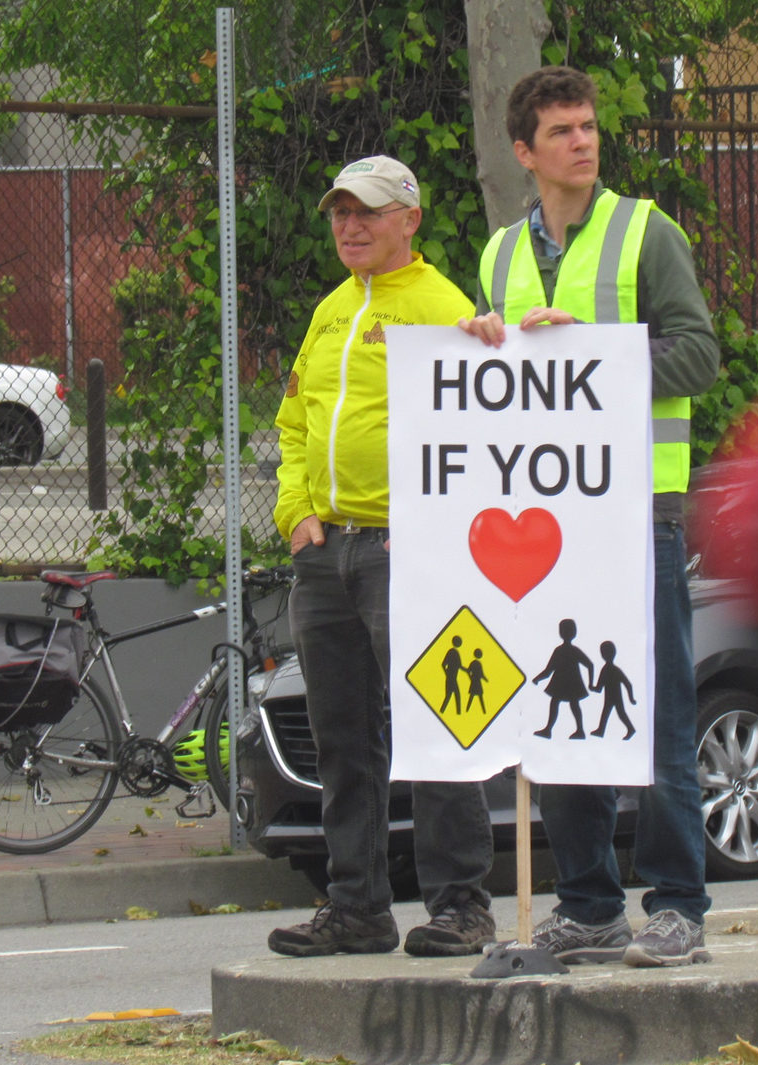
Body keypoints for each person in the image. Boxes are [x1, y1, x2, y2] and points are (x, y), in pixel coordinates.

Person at [459, 66, 719, 967]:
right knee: (560, 711)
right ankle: (589, 904)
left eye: (589, 125)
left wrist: (606, 354)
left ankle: (678, 903)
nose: (584, 140)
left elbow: (700, 356)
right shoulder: (497, 255)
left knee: (660, 715)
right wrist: (481, 340)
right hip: (548, 517)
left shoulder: (646, 234)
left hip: (640, 510)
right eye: (563, 130)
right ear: (523, 152)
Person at [269, 155, 496, 959]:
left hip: (407, 551)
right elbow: (294, 424)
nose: (349, 227)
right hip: (326, 552)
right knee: (343, 734)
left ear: (411, 217)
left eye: (366, 212)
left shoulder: (444, 306)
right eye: (338, 213)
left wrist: (436, 519)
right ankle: (359, 904)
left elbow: (481, 427)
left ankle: (462, 904)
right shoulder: (330, 310)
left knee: (438, 722)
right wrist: (296, 513)